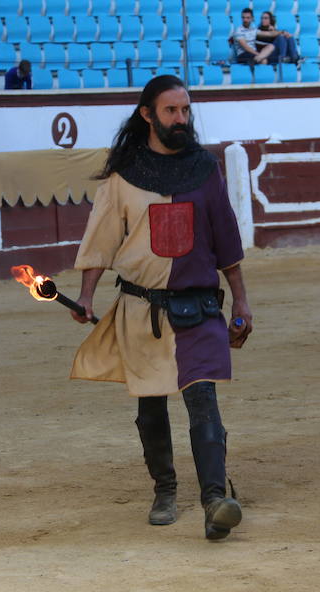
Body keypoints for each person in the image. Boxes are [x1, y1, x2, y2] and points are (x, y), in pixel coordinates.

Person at [69, 75, 253, 541]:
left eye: (186, 111)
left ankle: (215, 499)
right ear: (147, 115)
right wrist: (87, 295)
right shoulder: (123, 176)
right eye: (171, 111)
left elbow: (225, 235)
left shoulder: (205, 169)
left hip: (199, 306)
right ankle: (165, 490)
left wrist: (242, 300)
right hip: (141, 308)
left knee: (203, 401)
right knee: (152, 406)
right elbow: (101, 238)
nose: (181, 119)